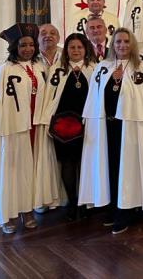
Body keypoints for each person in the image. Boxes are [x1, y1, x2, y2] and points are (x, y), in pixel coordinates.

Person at [79, 28, 143, 235]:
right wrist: (113, 80)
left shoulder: (141, 68)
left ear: (132, 44)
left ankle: (124, 212)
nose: (122, 45)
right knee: (109, 168)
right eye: (118, 42)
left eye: (126, 41)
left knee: (127, 170)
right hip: (106, 127)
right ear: (113, 44)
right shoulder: (103, 67)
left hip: (130, 128)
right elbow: (96, 99)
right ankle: (111, 208)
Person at [0, 23, 53, 233]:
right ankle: (7, 214)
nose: (27, 49)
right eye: (22, 45)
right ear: (14, 48)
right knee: (11, 171)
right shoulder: (4, 71)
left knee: (28, 171)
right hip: (12, 130)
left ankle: (26, 210)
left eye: (30, 45)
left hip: (34, 127)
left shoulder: (39, 67)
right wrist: (0, 129)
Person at [35, 33, 96, 220]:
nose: (76, 51)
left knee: (87, 163)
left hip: (88, 125)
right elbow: (49, 98)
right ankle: (71, 200)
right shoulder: (57, 70)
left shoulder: (94, 69)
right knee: (68, 164)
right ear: (66, 50)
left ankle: (85, 202)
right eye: (72, 47)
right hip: (64, 128)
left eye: (79, 47)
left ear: (85, 49)